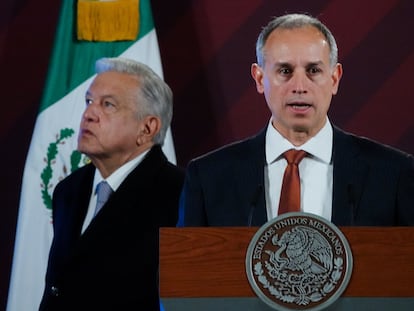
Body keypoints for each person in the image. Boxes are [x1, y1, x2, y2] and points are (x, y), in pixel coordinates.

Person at [177, 13, 414, 227]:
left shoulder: (393, 173)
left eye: (313, 71)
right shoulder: (209, 177)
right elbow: (184, 272)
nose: (299, 87)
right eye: (285, 71)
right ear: (259, 78)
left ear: (334, 78)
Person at [39, 57, 184, 310]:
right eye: (88, 101)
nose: (88, 114)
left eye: (108, 105)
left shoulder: (180, 194)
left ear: (147, 128)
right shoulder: (69, 189)